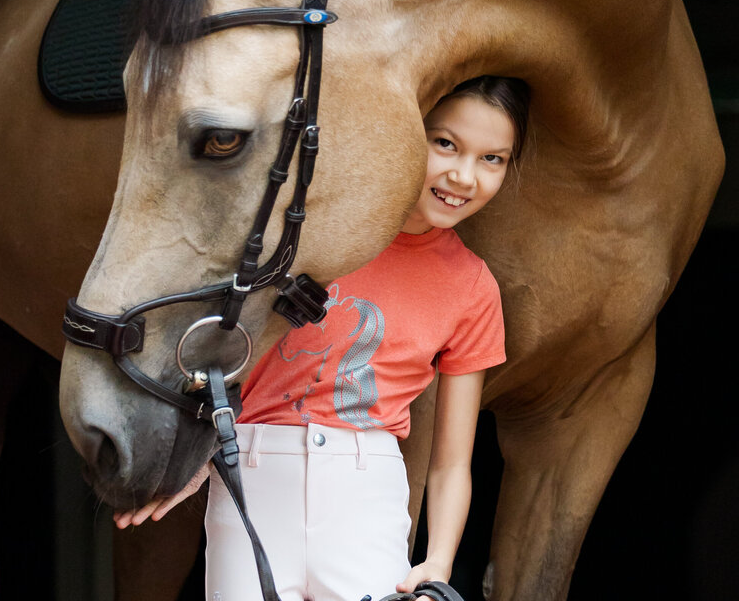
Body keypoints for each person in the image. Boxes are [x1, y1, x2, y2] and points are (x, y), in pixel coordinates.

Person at [115, 76, 530, 601]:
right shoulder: (299, 239)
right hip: (252, 482)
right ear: (403, 133)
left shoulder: (472, 287)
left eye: (492, 159)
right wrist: (190, 455)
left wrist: (439, 562)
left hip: (367, 498)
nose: (463, 175)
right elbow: (221, 356)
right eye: (445, 143)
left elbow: (451, 462)